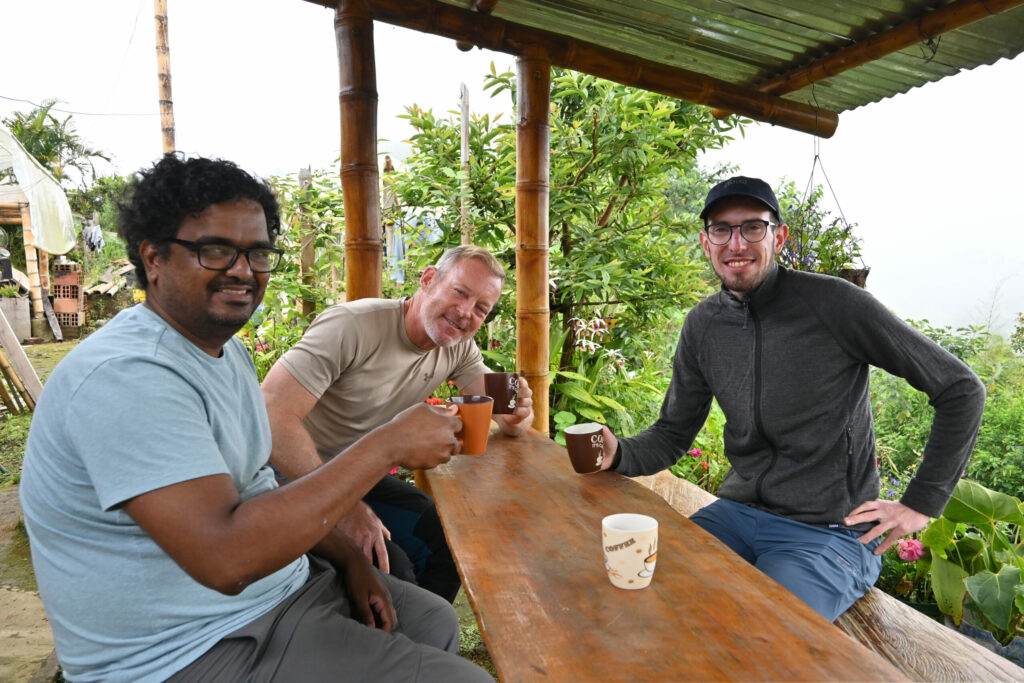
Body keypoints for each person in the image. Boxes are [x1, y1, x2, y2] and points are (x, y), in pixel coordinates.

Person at [19, 154, 491, 682]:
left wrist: (349, 558)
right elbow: (226, 561)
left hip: (276, 589)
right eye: (216, 250)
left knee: (432, 617)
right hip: (180, 648)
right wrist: (385, 448)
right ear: (152, 258)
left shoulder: (224, 352)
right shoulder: (127, 374)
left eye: (258, 253)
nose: (243, 270)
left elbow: (259, 482)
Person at [597, 175, 986, 622]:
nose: (736, 242)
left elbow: (960, 388)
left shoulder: (835, 303)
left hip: (829, 533)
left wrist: (921, 502)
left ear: (779, 236)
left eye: (752, 227)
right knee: (645, 593)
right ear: (706, 243)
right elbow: (672, 432)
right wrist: (620, 452)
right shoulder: (703, 325)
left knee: (770, 635)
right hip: (736, 515)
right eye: (722, 229)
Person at [262, 245, 534, 603]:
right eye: (460, 292)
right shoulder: (353, 325)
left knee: (445, 541)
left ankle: (423, 647)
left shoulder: (457, 349)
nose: (466, 312)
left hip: (358, 473)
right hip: (283, 477)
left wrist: (518, 412)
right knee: (392, 565)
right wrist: (340, 505)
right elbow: (270, 415)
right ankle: (373, 649)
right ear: (428, 280)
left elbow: (506, 414)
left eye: (481, 308)